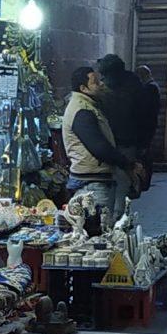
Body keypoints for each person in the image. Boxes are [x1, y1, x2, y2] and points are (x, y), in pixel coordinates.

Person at [60, 65, 143, 226]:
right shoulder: (81, 110)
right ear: (83, 88)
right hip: (92, 182)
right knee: (98, 232)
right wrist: (128, 164)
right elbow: (99, 148)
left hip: (95, 178)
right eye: (96, 82)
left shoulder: (89, 105)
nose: (101, 85)